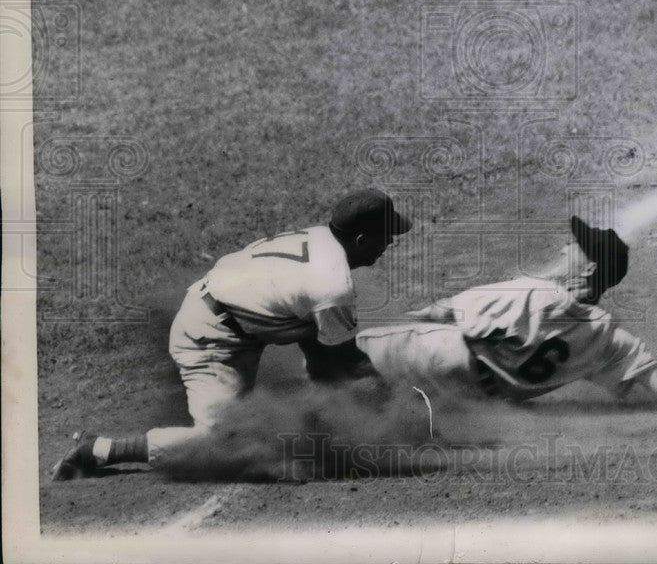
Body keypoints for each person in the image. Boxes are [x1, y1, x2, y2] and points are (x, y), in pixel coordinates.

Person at [52, 188, 411, 480]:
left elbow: (322, 349)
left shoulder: (322, 238)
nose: (390, 244)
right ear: (362, 239)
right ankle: (99, 449)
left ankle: (313, 425)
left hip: (228, 318)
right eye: (386, 236)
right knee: (222, 440)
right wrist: (392, 401)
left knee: (313, 368)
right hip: (210, 339)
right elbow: (344, 360)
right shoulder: (331, 285)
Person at [358, 216, 657, 409]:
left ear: (589, 268)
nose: (565, 247)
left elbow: (438, 313)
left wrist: (399, 321)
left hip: (432, 358)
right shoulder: (614, 340)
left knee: (336, 358)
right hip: (478, 400)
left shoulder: (535, 292)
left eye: (574, 247)